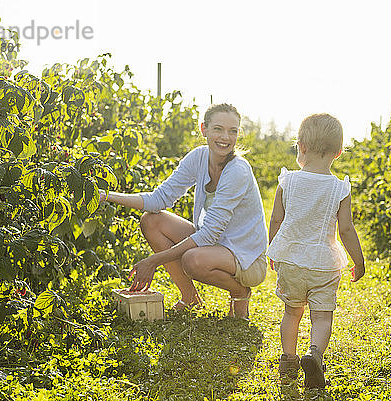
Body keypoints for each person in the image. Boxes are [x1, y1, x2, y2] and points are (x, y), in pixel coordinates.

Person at [100, 103, 268, 319]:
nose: (225, 137)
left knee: (192, 260)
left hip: (246, 258)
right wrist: (106, 195)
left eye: (232, 131)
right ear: (204, 129)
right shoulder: (199, 157)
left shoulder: (238, 171)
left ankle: (240, 291)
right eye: (218, 129)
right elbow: (158, 199)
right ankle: (190, 298)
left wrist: (154, 260)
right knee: (152, 221)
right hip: (216, 245)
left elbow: (209, 234)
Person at [266, 113, 365, 388]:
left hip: (292, 261)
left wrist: (275, 250)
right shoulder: (339, 188)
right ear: (338, 152)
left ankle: (288, 360)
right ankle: (315, 355)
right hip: (324, 263)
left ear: (302, 147)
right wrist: (359, 260)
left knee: (291, 312)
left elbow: (276, 220)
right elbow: (346, 229)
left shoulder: (287, 182)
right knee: (321, 316)